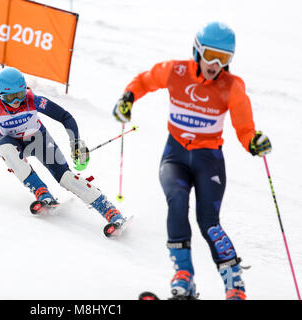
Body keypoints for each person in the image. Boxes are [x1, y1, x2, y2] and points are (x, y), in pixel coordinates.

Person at [113, 22, 272, 300]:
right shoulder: (175, 71)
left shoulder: (231, 86)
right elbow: (144, 81)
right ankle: (183, 276)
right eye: (210, 55)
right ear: (197, 51)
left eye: (223, 59)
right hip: (175, 156)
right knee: (176, 202)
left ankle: (234, 285)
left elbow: (245, 129)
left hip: (208, 160)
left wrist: (254, 142)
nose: (215, 64)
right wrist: (128, 97)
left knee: (208, 221)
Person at [0, 67, 127, 237]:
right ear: (0, 95)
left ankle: (111, 212)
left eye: (20, 95)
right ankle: (42, 193)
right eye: (10, 97)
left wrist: (76, 142)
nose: (16, 102)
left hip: (39, 140)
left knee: (66, 178)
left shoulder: (34, 101)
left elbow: (65, 116)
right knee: (4, 148)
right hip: (12, 142)